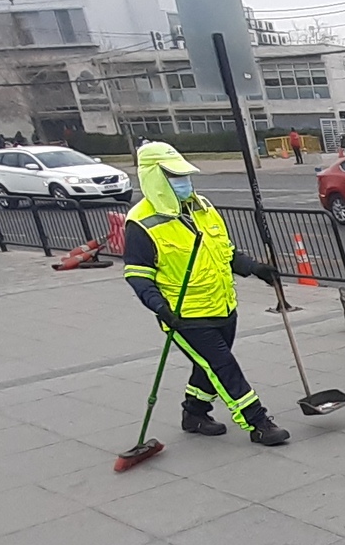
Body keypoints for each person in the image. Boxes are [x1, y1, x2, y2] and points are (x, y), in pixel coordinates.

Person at [121, 142, 291, 446]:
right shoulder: (141, 222)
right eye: (175, 176)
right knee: (223, 366)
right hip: (185, 315)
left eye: (185, 175)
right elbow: (138, 275)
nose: (184, 182)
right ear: (155, 177)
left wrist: (255, 268)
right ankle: (258, 422)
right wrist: (160, 308)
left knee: (208, 364)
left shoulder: (203, 207)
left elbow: (225, 252)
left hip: (223, 305)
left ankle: (194, 413)